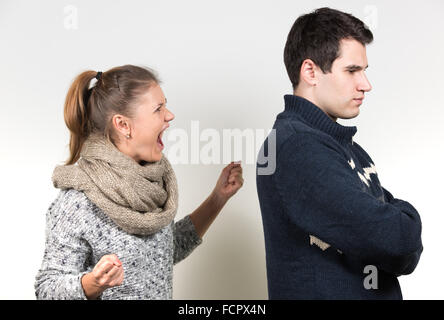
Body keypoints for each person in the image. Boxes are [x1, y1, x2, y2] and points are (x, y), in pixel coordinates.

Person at [35, 65, 244, 300]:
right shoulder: (78, 202)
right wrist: (93, 283)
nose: (169, 115)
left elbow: (160, 254)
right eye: (158, 109)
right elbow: (46, 288)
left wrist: (218, 198)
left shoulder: (153, 186)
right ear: (123, 125)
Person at [256, 7, 423, 299]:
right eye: (352, 70)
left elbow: (401, 247)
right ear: (310, 71)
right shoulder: (297, 147)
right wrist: (404, 222)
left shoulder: (343, 147)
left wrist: (400, 228)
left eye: (364, 71)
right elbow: (399, 241)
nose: (366, 85)